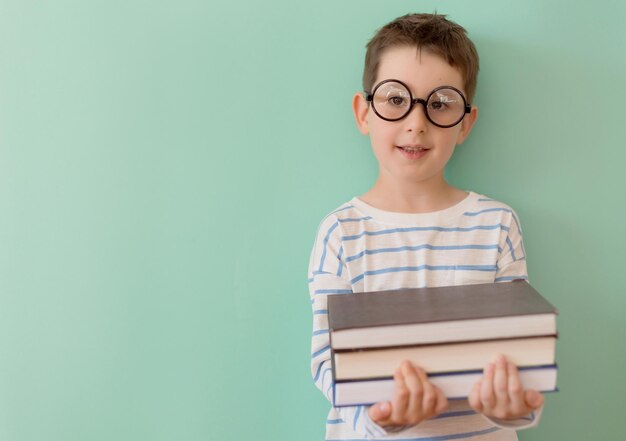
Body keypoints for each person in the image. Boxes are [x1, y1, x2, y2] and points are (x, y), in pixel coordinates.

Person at [307, 13, 545, 440]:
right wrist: (381, 418)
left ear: (466, 123)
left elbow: (519, 353)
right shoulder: (340, 232)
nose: (416, 122)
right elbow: (327, 359)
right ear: (364, 113)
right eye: (396, 99)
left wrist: (515, 408)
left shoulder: (497, 225)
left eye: (439, 103)